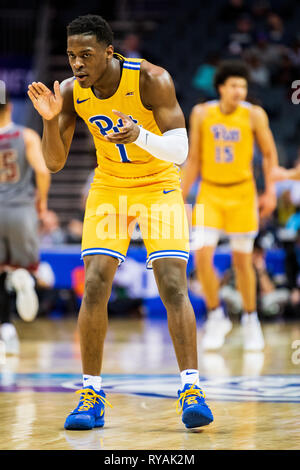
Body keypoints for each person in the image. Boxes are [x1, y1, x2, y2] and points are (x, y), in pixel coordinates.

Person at [27, 14, 213, 431]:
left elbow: (181, 151)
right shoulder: (73, 92)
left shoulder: (152, 79)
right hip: (110, 186)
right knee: (94, 282)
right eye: (72, 55)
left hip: (158, 183)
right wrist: (48, 117)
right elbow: (55, 163)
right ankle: (90, 394)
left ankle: (191, 389)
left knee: (171, 282)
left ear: (109, 52)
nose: (76, 64)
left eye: (86, 55)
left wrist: (139, 137)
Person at [181, 60, 278, 351]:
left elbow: (270, 154)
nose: (240, 91)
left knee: (242, 261)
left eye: (244, 86)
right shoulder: (201, 113)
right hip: (210, 191)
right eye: (234, 85)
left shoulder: (254, 115)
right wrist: (180, 195)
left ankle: (250, 319)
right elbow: (194, 158)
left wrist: (270, 191)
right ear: (221, 87)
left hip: (242, 193)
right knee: (200, 257)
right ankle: (215, 315)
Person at [0, 90, 50, 354]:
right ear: (9, 107)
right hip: (21, 210)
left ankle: (5, 330)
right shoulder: (26, 136)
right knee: (23, 264)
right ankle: (25, 274)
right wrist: (41, 201)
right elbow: (42, 170)